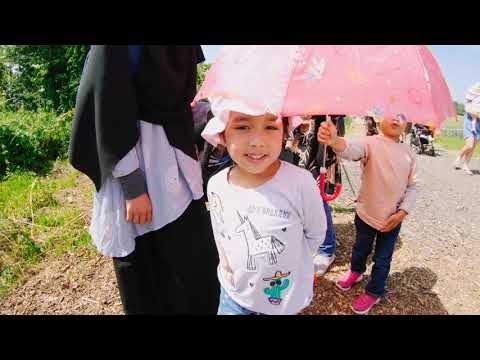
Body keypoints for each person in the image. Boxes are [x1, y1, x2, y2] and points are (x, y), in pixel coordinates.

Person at [69, 45, 220, 315]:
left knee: (197, 274)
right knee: (150, 279)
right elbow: (109, 113)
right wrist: (133, 188)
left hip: (180, 176)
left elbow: (179, 106)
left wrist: (210, 114)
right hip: (141, 181)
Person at [202, 97, 327, 315]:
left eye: (270, 126)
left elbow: (315, 234)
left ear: (285, 132)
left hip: (282, 300)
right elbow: (221, 235)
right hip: (233, 296)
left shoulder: (301, 183)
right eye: (242, 126)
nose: (257, 141)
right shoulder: (216, 185)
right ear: (223, 133)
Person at [317, 114, 417, 314]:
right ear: (379, 119)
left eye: (403, 115)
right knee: (360, 248)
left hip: (392, 219)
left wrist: (403, 212)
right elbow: (351, 150)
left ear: (408, 123)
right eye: (392, 112)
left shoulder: (410, 153)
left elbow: (414, 186)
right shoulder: (370, 143)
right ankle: (356, 271)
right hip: (365, 214)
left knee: (382, 258)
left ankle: (374, 291)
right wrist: (335, 140)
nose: (397, 118)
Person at [281, 115, 338, 276]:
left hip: (315, 165)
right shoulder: (288, 110)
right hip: (291, 165)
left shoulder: (324, 116)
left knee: (318, 203)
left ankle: (327, 249)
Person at [453, 82, 480, 175]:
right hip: (470, 120)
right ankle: (459, 157)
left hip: (479, 123)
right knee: (470, 145)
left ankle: (466, 165)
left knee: (473, 147)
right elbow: (468, 107)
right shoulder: (476, 89)